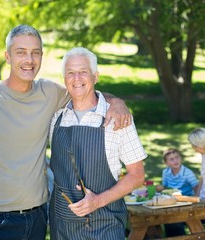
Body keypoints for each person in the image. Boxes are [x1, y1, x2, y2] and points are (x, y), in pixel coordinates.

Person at [0, 25, 130, 240]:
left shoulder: (49, 92)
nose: (29, 60)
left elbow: (86, 92)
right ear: (8, 56)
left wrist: (116, 102)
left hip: (38, 216)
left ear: (42, 56)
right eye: (21, 52)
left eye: (35, 52)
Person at [48, 47, 147, 240]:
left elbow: (137, 176)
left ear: (95, 77)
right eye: (70, 73)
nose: (76, 78)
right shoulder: (55, 117)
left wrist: (98, 201)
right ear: (64, 79)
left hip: (105, 226)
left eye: (83, 72)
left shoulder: (118, 118)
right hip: (62, 228)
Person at [156, 148, 199, 237]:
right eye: (171, 159)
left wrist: (195, 199)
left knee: (174, 219)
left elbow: (197, 188)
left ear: (181, 159)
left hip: (186, 201)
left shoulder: (187, 173)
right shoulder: (166, 172)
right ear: (166, 163)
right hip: (172, 201)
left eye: (177, 157)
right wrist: (160, 187)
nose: (175, 161)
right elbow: (165, 186)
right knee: (164, 217)